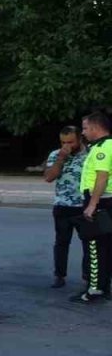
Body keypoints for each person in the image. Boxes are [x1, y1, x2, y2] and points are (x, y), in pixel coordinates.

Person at [43, 126, 90, 289]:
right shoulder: (56, 155)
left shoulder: (90, 155)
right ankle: (59, 275)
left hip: (84, 206)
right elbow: (49, 177)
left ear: (80, 139)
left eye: (70, 142)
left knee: (88, 243)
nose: (67, 145)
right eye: (63, 142)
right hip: (62, 205)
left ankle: (89, 277)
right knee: (61, 243)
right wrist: (61, 158)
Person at [73, 111, 112, 304]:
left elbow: (102, 176)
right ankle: (103, 287)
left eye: (86, 128)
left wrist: (92, 204)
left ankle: (94, 289)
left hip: (100, 200)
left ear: (96, 128)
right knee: (106, 246)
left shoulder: (103, 147)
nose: (83, 132)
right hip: (105, 200)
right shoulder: (103, 146)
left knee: (95, 246)